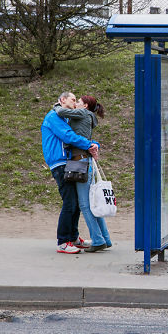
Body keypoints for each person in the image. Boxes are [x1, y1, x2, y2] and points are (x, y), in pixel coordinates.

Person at [41, 91, 99, 254]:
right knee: (69, 202)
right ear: (62, 100)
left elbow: (77, 135)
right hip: (59, 163)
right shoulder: (54, 116)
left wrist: (94, 145)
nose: (75, 102)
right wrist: (89, 144)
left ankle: (73, 237)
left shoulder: (67, 117)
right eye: (73, 99)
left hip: (70, 162)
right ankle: (63, 241)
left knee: (76, 202)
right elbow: (68, 137)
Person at [54, 95, 111, 253]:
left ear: (85, 106)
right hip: (86, 161)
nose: (76, 104)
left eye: (78, 102)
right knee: (91, 203)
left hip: (80, 162)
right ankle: (105, 238)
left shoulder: (82, 113)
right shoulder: (89, 116)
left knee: (85, 205)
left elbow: (61, 113)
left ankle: (98, 240)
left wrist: (57, 105)